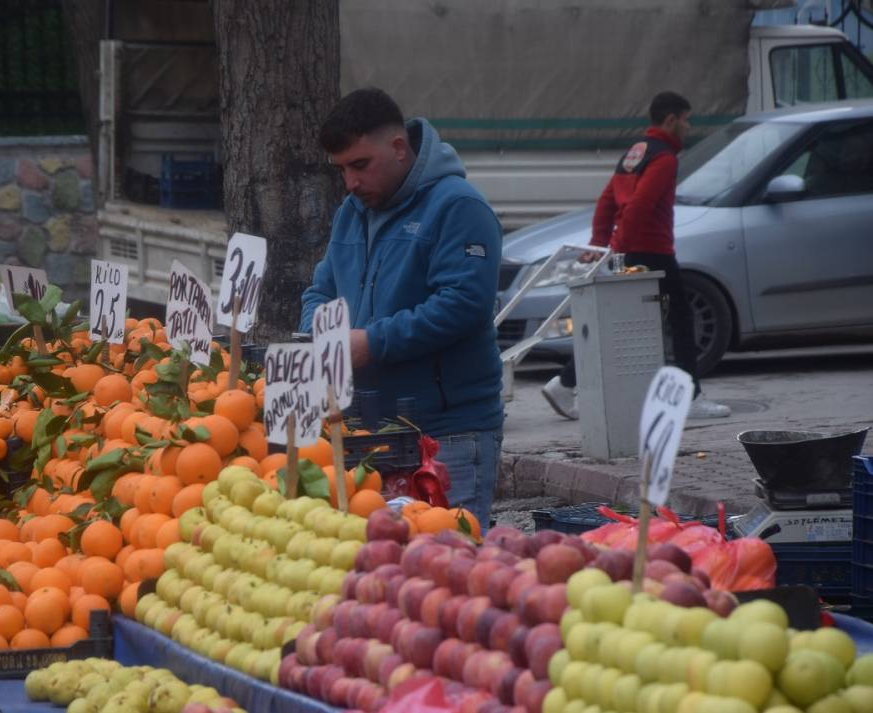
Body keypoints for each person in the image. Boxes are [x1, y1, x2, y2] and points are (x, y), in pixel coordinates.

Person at [300, 88, 504, 527]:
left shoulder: (459, 207)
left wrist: (372, 342)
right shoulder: (351, 212)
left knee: (449, 564)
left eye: (360, 165)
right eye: (341, 170)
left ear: (398, 148)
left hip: (446, 431)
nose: (350, 183)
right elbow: (320, 290)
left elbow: (464, 304)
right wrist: (319, 332)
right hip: (366, 432)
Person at [541, 92, 730, 421]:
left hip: (631, 249)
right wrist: (616, 247)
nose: (688, 126)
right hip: (653, 252)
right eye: (686, 119)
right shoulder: (664, 158)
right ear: (670, 120)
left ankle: (564, 382)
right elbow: (641, 204)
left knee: (615, 324)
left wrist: (600, 243)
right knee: (681, 323)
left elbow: (607, 201)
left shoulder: (636, 152)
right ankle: (691, 396)